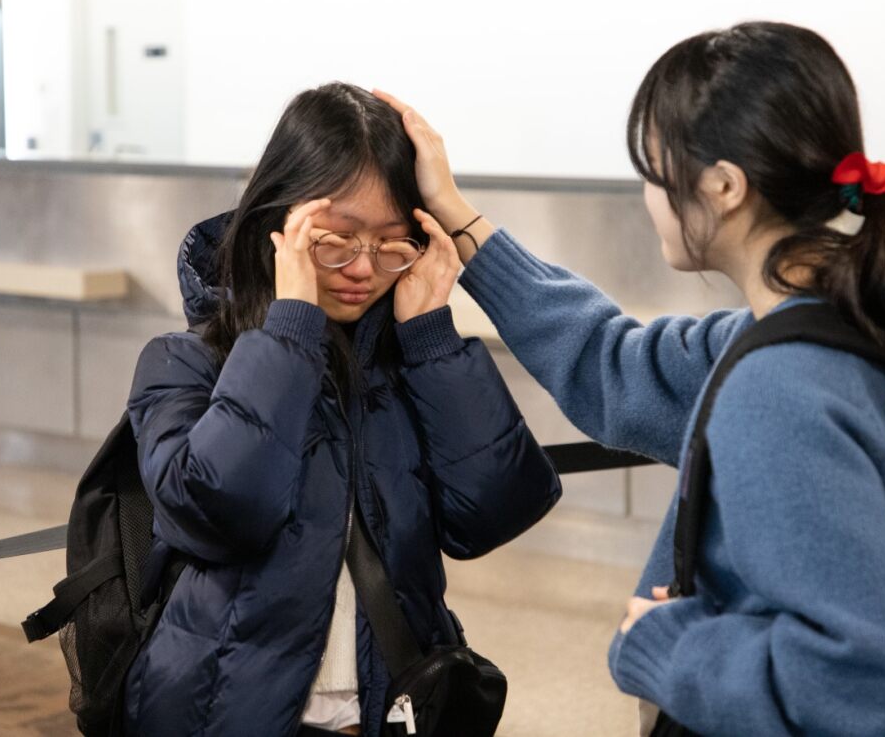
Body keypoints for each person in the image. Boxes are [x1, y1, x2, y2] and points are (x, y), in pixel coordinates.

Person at [376, 21, 885, 735]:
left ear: (724, 186)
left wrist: (669, 642)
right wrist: (456, 215)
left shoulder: (782, 386)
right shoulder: (855, 323)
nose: (650, 196)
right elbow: (609, 363)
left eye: (657, 171)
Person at [123, 83, 561, 737]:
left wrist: (432, 340)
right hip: (225, 711)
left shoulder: (408, 362)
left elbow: (492, 513)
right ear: (279, 227)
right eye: (335, 239)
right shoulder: (187, 362)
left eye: (391, 243)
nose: (363, 268)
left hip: (393, 706)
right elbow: (219, 512)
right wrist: (289, 327)